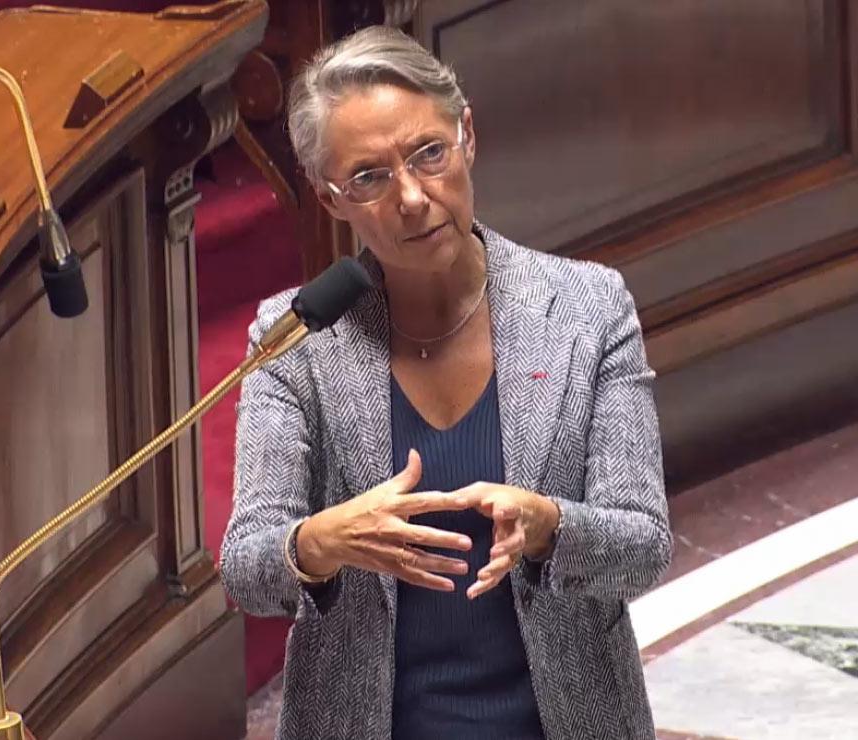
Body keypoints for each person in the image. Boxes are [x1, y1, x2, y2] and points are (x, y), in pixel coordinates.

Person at [220, 25, 671, 740]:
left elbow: (644, 544)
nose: (410, 197)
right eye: (368, 176)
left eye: (429, 154)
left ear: (467, 136)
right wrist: (320, 542)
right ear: (329, 196)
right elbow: (246, 566)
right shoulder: (297, 338)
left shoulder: (588, 308)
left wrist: (553, 527)